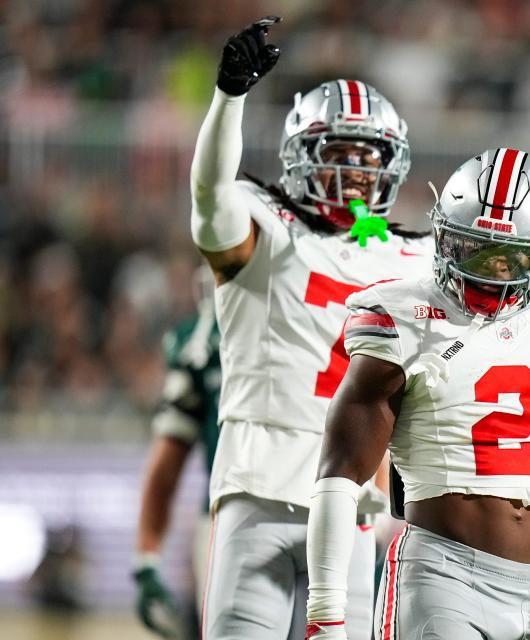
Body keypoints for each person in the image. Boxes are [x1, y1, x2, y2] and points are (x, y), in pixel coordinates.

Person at [302, 149, 530, 640]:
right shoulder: (402, 314)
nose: (491, 271)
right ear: (443, 236)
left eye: (514, 256)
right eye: (474, 248)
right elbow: (340, 474)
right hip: (439, 574)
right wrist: (326, 614)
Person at [190, 16, 434, 640]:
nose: (355, 170)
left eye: (368, 155)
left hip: (354, 499)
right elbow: (210, 196)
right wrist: (229, 98)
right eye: (338, 153)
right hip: (261, 482)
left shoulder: (414, 254)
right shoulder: (265, 225)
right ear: (302, 158)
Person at [134, 268, 221, 639]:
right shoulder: (202, 343)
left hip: (329, 514)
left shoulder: (327, 310)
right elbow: (167, 461)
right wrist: (146, 558)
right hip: (227, 520)